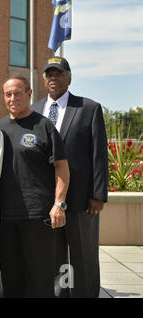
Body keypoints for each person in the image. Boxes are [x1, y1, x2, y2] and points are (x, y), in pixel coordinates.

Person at [31, 57, 108, 298]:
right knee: (54, 257)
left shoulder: (88, 108)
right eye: (49, 75)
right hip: (46, 201)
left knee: (82, 256)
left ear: (69, 78)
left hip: (81, 200)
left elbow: (99, 155)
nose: (53, 78)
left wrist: (97, 194)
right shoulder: (34, 110)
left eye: (59, 74)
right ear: (44, 80)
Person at [0, 76, 70, 297]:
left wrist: (59, 204)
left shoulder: (44, 126)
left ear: (29, 93)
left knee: (40, 279)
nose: (13, 98)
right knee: (11, 277)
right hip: (4, 217)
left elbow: (62, 167)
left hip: (38, 215)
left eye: (18, 93)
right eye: (8, 94)